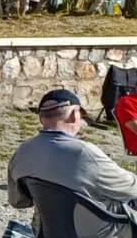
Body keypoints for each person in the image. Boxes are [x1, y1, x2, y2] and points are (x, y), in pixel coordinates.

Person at [9, 89, 137, 230]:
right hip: (95, 235)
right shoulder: (85, 153)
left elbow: (18, 201)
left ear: (41, 118)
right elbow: (132, 189)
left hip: (45, 232)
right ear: (74, 115)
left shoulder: (22, 151)